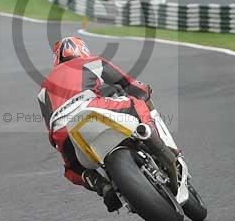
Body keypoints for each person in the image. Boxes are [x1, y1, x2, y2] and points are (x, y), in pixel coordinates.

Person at [37, 36, 175, 211]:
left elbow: (50, 129)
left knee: (72, 170)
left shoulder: (43, 88)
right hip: (90, 108)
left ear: (56, 58)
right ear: (83, 49)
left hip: (62, 130)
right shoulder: (91, 61)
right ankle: (152, 137)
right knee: (136, 103)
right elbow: (129, 84)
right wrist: (144, 90)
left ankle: (101, 185)